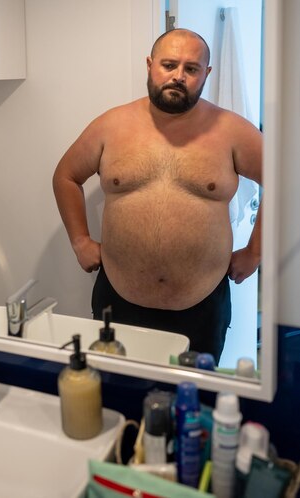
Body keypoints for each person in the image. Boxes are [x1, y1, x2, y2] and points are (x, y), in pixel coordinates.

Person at [52, 28, 262, 363]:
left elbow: (284, 183)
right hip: (118, 299)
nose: (179, 76)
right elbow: (65, 176)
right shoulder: (111, 125)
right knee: (118, 397)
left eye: (191, 69)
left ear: (206, 74)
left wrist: (255, 251)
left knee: (193, 406)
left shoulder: (232, 131)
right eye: (169, 65)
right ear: (150, 65)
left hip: (202, 304)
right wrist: (80, 240)